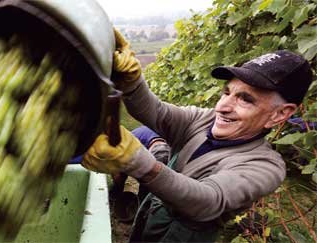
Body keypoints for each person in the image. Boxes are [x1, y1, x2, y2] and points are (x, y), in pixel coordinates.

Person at [81, 29, 314, 242]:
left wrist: (139, 162)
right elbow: (157, 112)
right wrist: (132, 83)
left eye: (245, 99)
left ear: (280, 114)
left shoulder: (265, 167)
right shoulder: (204, 119)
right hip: (153, 212)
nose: (223, 106)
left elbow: (208, 200)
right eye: (227, 92)